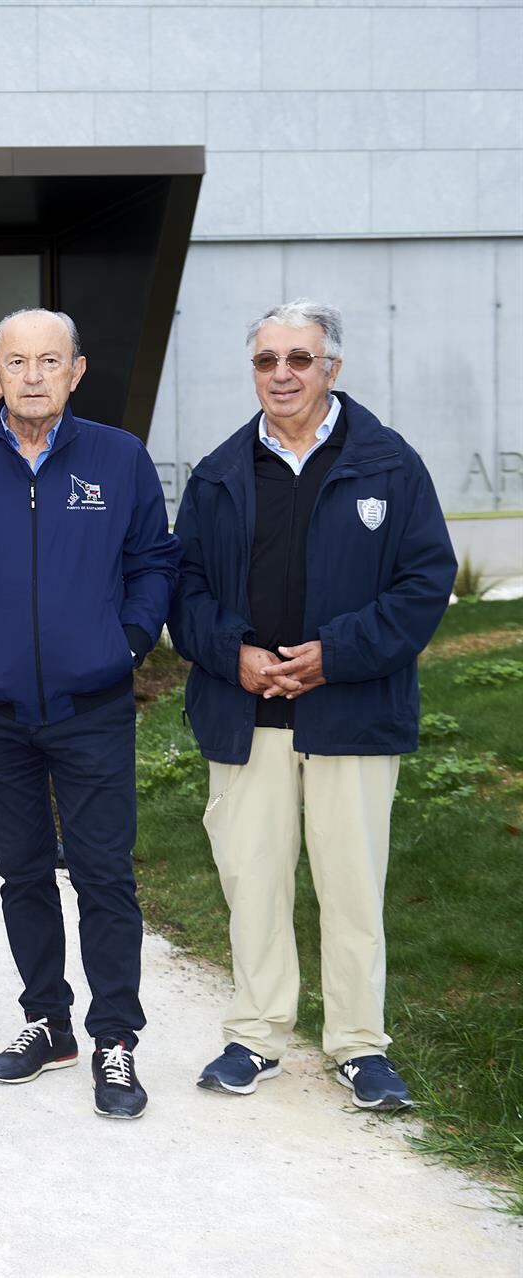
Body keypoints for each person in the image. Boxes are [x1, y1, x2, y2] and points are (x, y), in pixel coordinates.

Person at [170, 300, 455, 1111]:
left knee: (353, 887)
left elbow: (423, 583)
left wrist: (338, 656)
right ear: (253, 370)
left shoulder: (390, 465)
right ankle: (255, 1036)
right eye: (268, 360)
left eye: (300, 358)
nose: (283, 374)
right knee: (251, 881)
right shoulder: (222, 473)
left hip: (352, 717)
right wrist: (238, 656)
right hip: (244, 713)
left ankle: (361, 1047)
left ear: (332, 369)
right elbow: (182, 590)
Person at [0, 308, 179, 1121]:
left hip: (92, 706)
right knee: (21, 871)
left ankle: (114, 1037)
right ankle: (49, 1022)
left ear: (76, 370)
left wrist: (126, 645)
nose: (33, 375)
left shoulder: (120, 458)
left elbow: (153, 562)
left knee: (103, 874)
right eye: (17, 361)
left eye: (49, 360)